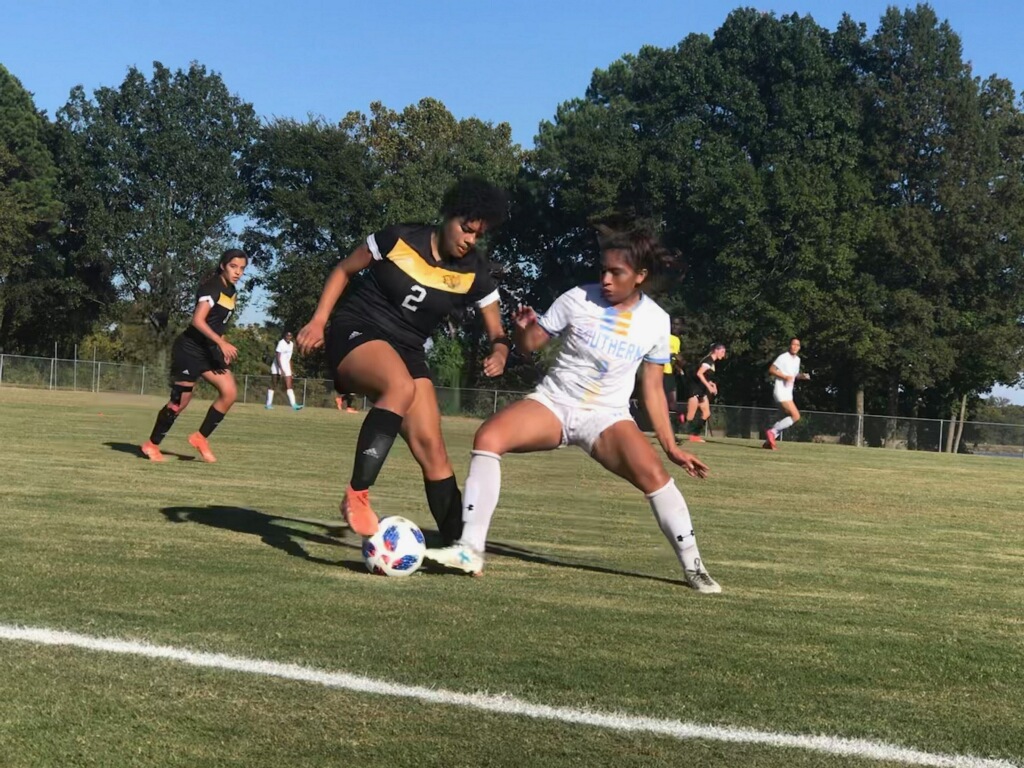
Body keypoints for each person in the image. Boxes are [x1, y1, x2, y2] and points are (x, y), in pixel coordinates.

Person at [426, 225, 721, 593]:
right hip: (554, 402)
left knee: (655, 477)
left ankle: (694, 567)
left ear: (640, 276)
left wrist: (671, 446)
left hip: (607, 416)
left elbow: (652, 388)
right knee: (488, 437)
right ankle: (470, 549)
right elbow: (530, 345)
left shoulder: (656, 321)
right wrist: (523, 330)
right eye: (603, 270)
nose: (606, 279)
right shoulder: (577, 298)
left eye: (617, 273)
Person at [296, 177, 511, 541]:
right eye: (466, 229)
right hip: (357, 329)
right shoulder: (397, 238)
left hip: (408, 350)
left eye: (478, 234)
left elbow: (497, 331)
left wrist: (500, 351)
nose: (470, 240)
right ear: (448, 216)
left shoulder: (475, 271)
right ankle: (357, 495)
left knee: (434, 451)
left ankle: (462, 547)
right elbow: (344, 270)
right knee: (400, 387)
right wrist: (318, 320)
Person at [141, 249, 248, 463]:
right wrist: (221, 343)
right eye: (233, 266)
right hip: (189, 350)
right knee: (179, 403)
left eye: (242, 268)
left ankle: (200, 438)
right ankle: (151, 445)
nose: (238, 272)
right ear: (222, 266)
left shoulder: (232, 291)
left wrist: (221, 344)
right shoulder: (211, 288)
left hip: (209, 351)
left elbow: (218, 324)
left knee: (229, 393)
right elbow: (198, 321)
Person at [763, 337, 810, 449]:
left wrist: (802, 376)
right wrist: (784, 377)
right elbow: (771, 369)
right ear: (790, 345)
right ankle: (772, 432)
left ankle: (768, 443)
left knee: (786, 419)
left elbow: (794, 375)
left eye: (797, 345)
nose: (795, 347)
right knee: (796, 416)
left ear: (799, 347)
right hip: (780, 391)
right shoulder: (783, 357)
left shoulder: (797, 360)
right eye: (793, 344)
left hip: (788, 393)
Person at [680, 343, 727, 443]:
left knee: (706, 413)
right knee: (690, 416)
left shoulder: (712, 362)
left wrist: (712, 384)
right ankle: (680, 415)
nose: (723, 355)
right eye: (722, 352)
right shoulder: (708, 361)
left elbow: (705, 376)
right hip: (695, 388)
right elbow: (699, 373)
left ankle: (694, 435)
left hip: (701, 389)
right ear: (716, 350)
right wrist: (709, 387)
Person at [266, 331, 303, 411]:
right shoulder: (281, 343)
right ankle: (268, 404)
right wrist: (281, 369)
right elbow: (278, 357)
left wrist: (291, 370)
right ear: (284, 336)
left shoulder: (291, 344)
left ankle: (294, 405)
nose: (288, 337)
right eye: (287, 336)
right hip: (277, 365)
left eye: (290, 336)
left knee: (289, 385)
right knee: (274, 384)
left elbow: (289, 358)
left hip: (286, 365)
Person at [664, 317, 683, 434]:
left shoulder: (676, 340)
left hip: (669, 373)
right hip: (659, 373)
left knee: (672, 403)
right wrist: (672, 355)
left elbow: (676, 357)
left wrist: (679, 366)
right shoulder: (662, 336)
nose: (675, 327)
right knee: (665, 404)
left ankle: (671, 429)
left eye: (678, 324)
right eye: (673, 324)